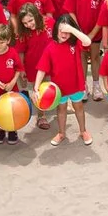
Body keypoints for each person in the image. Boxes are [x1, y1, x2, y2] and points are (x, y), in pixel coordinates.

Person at [40, 14, 94, 145]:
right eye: (61, 30)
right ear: (55, 30)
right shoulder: (50, 47)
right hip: (59, 88)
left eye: (67, 32)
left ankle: (83, 131)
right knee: (61, 109)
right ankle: (61, 133)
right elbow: (41, 68)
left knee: (79, 107)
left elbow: (87, 41)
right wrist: (36, 87)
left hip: (76, 85)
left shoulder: (75, 44)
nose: (64, 34)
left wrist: (72, 29)